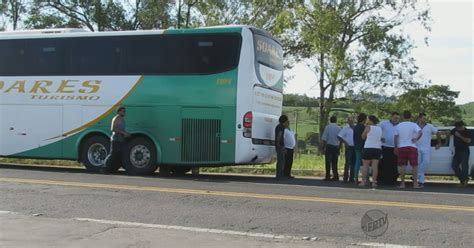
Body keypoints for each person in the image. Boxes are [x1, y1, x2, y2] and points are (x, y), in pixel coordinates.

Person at [394, 110, 422, 189]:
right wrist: (416, 139)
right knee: (414, 165)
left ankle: (402, 183)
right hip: (412, 146)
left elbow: (396, 136)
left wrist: (396, 147)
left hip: (402, 146)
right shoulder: (413, 125)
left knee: (402, 165)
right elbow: (420, 132)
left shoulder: (399, 125)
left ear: (403, 116)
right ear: (410, 116)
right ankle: (415, 183)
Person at [101, 107, 131, 174]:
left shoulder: (122, 119)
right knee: (112, 153)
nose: (124, 112)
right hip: (115, 139)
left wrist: (126, 133)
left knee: (119, 154)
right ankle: (104, 167)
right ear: (119, 112)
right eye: (123, 111)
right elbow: (113, 129)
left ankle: (113, 168)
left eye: (124, 111)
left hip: (121, 139)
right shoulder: (116, 118)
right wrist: (123, 133)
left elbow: (121, 129)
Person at [416, 113, 441, 187]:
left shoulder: (429, 126)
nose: (425, 120)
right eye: (423, 118)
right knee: (419, 164)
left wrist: (439, 143)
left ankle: (417, 175)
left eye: (425, 118)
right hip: (416, 147)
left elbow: (438, 133)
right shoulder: (414, 126)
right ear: (419, 118)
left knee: (426, 162)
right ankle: (421, 182)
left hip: (426, 148)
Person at [359, 115, 383, 188]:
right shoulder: (379, 128)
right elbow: (381, 138)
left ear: (371, 121)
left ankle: (363, 181)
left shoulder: (368, 127)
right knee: (375, 166)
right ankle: (374, 182)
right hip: (377, 148)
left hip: (368, 147)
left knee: (365, 165)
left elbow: (363, 136)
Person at [378, 112, 400, 185]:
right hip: (385, 146)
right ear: (391, 117)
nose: (396, 119)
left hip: (395, 147)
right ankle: (382, 181)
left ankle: (392, 181)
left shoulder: (400, 125)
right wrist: (380, 137)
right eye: (394, 118)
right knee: (383, 164)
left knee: (393, 165)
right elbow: (377, 130)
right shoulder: (384, 123)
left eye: (397, 118)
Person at [450, 120, 471, 187]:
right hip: (457, 150)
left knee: (464, 166)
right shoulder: (455, 130)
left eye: (458, 127)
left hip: (464, 150)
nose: (457, 129)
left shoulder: (467, 131)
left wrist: (459, 136)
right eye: (456, 127)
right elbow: (449, 133)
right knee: (454, 165)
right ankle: (463, 180)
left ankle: (465, 181)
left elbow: (468, 141)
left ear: (462, 126)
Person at [322, 116, 341, 181]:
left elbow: (324, 138)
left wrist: (323, 147)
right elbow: (340, 138)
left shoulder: (327, 127)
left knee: (328, 161)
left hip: (329, 146)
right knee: (335, 162)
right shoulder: (339, 128)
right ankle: (335, 175)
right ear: (336, 120)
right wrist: (339, 148)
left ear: (330, 120)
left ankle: (327, 176)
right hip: (336, 146)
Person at [338, 116, 356, 183]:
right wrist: (345, 142)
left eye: (352, 120)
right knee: (348, 163)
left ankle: (352, 177)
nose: (351, 121)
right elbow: (339, 136)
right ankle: (345, 177)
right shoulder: (345, 128)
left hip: (355, 147)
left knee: (353, 163)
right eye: (349, 120)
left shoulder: (356, 128)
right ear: (348, 121)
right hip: (349, 147)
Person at [353, 113, 367, 184]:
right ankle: (366, 179)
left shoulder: (355, 127)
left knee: (357, 162)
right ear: (364, 119)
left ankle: (355, 178)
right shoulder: (363, 127)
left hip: (356, 145)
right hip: (363, 146)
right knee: (365, 163)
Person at [275, 115, 289, 179]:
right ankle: (279, 175)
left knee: (281, 160)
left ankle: (279, 174)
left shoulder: (278, 126)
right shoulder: (281, 127)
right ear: (285, 121)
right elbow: (279, 135)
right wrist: (279, 144)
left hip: (280, 145)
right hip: (280, 145)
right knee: (281, 160)